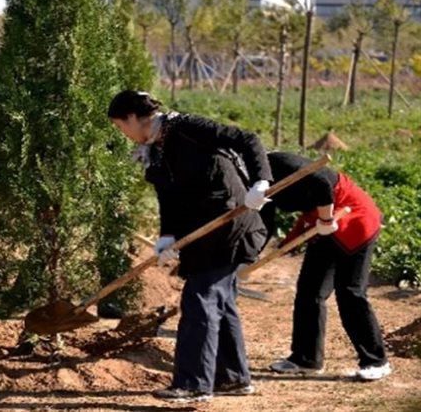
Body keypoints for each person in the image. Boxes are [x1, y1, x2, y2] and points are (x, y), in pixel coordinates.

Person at [107, 90, 272, 403]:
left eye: (119, 126)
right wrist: (167, 236)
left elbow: (247, 138)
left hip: (231, 225)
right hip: (204, 232)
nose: (123, 134)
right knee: (219, 301)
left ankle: (193, 384)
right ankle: (232, 377)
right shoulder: (155, 150)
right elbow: (168, 197)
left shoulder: (187, 127)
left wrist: (260, 183)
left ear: (131, 117)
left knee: (200, 299)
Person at [261, 151, 390, 381]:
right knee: (310, 291)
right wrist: (249, 256)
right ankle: (306, 358)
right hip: (322, 222)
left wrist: (327, 219)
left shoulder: (280, 164)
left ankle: (375, 360)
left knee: (350, 292)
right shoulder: (254, 181)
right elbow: (265, 221)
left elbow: (321, 182)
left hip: (353, 218)